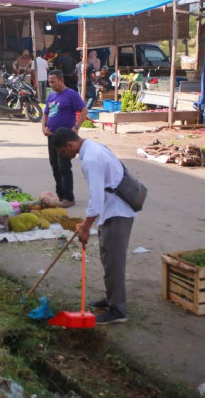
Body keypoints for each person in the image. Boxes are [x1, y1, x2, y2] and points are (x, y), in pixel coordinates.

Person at [53, 128, 136, 325]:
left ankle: (118, 310)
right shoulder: (93, 147)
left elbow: (96, 200)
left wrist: (85, 228)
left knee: (114, 261)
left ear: (70, 145)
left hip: (118, 212)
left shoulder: (90, 159)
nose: (65, 156)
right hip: (112, 210)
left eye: (63, 152)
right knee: (108, 257)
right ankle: (111, 299)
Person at [42, 70, 88, 208]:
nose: (51, 84)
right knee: (55, 166)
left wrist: (76, 127)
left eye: (53, 82)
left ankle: (69, 197)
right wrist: (43, 127)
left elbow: (84, 111)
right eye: (49, 82)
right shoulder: (51, 96)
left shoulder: (71, 95)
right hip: (51, 136)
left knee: (64, 167)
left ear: (61, 80)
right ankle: (60, 195)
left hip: (64, 138)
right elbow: (45, 113)